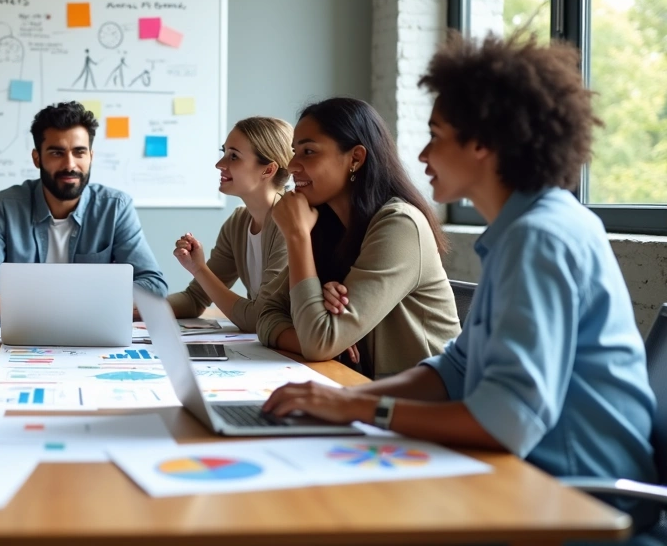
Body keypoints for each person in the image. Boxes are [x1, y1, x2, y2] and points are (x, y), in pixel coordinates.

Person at [264, 33, 659, 542]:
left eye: (436, 134)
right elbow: (456, 368)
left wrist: (359, 407)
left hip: (577, 502)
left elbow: (507, 420)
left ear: (482, 143)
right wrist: (331, 398)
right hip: (530, 479)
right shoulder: (518, 231)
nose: (424, 153)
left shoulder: (540, 238)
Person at [256, 97, 459, 378]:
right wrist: (318, 327)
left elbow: (318, 342)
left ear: (355, 158)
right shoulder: (326, 223)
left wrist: (297, 236)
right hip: (362, 390)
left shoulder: (400, 224)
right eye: (294, 151)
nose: (292, 166)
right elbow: (265, 314)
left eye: (309, 151)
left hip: (422, 407)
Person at [0, 101, 166, 315]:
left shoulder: (116, 207)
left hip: (95, 329)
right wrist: (27, 308)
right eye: (56, 153)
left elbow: (154, 285)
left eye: (79, 152)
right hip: (27, 331)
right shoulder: (4, 207)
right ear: (37, 158)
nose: (70, 165)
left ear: (91, 156)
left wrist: (86, 306)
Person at [166, 117, 293, 331]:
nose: (219, 164)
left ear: (268, 170)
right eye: (223, 152)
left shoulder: (290, 224)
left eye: (233, 156)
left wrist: (199, 269)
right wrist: (134, 308)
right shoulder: (238, 223)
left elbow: (259, 317)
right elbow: (196, 298)